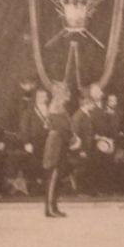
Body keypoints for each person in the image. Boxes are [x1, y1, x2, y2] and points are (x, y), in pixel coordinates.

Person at [42, 84, 73, 217]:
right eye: (66, 92)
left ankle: (53, 207)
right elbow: (62, 128)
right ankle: (50, 208)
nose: (68, 95)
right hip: (55, 145)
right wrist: (73, 138)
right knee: (53, 176)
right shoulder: (56, 108)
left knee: (57, 176)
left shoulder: (60, 107)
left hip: (60, 144)